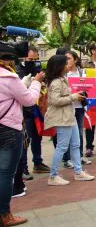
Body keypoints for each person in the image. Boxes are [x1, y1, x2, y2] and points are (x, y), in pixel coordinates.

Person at [0, 46, 43, 226]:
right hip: (8, 128)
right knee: (5, 174)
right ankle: (4, 214)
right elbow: (29, 100)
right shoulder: (7, 77)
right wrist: (36, 82)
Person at [44, 55, 95, 186]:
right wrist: (73, 97)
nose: (68, 66)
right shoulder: (56, 82)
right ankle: (53, 176)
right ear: (59, 67)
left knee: (76, 144)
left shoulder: (62, 79)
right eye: (65, 64)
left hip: (68, 116)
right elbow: (54, 101)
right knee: (62, 147)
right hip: (62, 118)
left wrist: (75, 96)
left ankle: (78, 172)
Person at [17, 46, 50, 178]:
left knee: (37, 137)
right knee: (25, 140)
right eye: (31, 59)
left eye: (36, 59)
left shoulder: (38, 69)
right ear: (24, 57)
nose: (34, 62)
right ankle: (23, 168)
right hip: (24, 111)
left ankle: (38, 162)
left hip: (37, 108)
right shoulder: (18, 70)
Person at [64, 51, 91, 166]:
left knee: (79, 133)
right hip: (67, 107)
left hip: (79, 107)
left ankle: (79, 156)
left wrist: (83, 93)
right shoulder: (63, 74)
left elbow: (88, 88)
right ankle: (67, 159)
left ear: (75, 60)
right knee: (67, 134)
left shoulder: (82, 72)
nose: (67, 61)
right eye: (65, 59)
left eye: (69, 58)